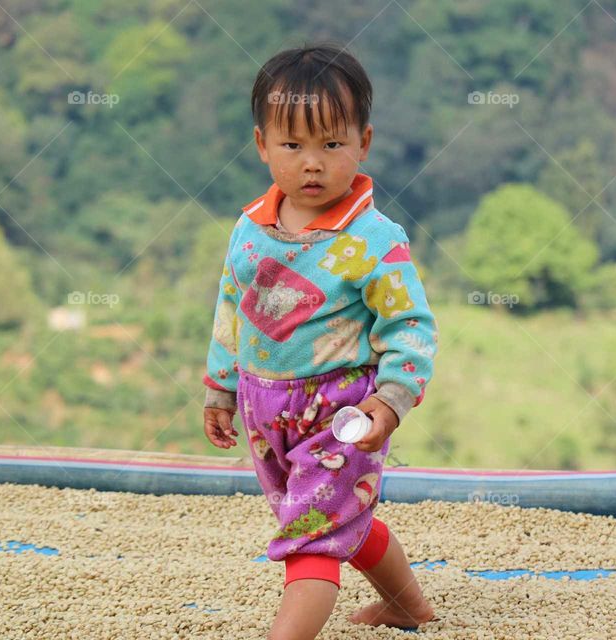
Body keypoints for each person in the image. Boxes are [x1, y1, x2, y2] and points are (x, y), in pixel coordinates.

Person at [201, 42, 438, 639]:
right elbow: (234, 308)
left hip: (339, 416)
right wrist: (220, 387)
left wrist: (390, 400)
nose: (313, 163)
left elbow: (411, 326)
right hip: (264, 412)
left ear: (364, 142)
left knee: (311, 533)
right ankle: (409, 606)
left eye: (332, 145)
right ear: (262, 145)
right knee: (335, 518)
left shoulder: (373, 239)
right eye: (293, 145)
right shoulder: (251, 228)